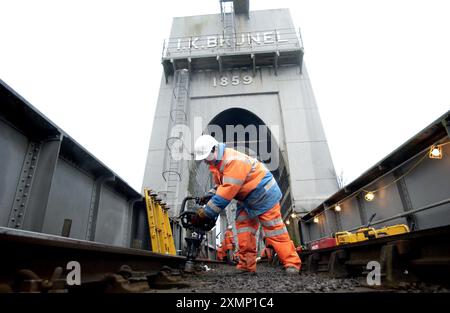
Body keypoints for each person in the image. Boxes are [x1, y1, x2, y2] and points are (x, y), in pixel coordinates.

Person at [192, 134, 301, 274]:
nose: (205, 162)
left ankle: (292, 263)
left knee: (274, 230)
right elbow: (221, 185)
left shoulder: (232, 161)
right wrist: (209, 195)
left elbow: (226, 193)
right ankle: (246, 265)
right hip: (247, 198)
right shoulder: (217, 164)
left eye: (205, 157)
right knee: (244, 230)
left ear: (214, 150)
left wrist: (205, 213)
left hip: (264, 194)